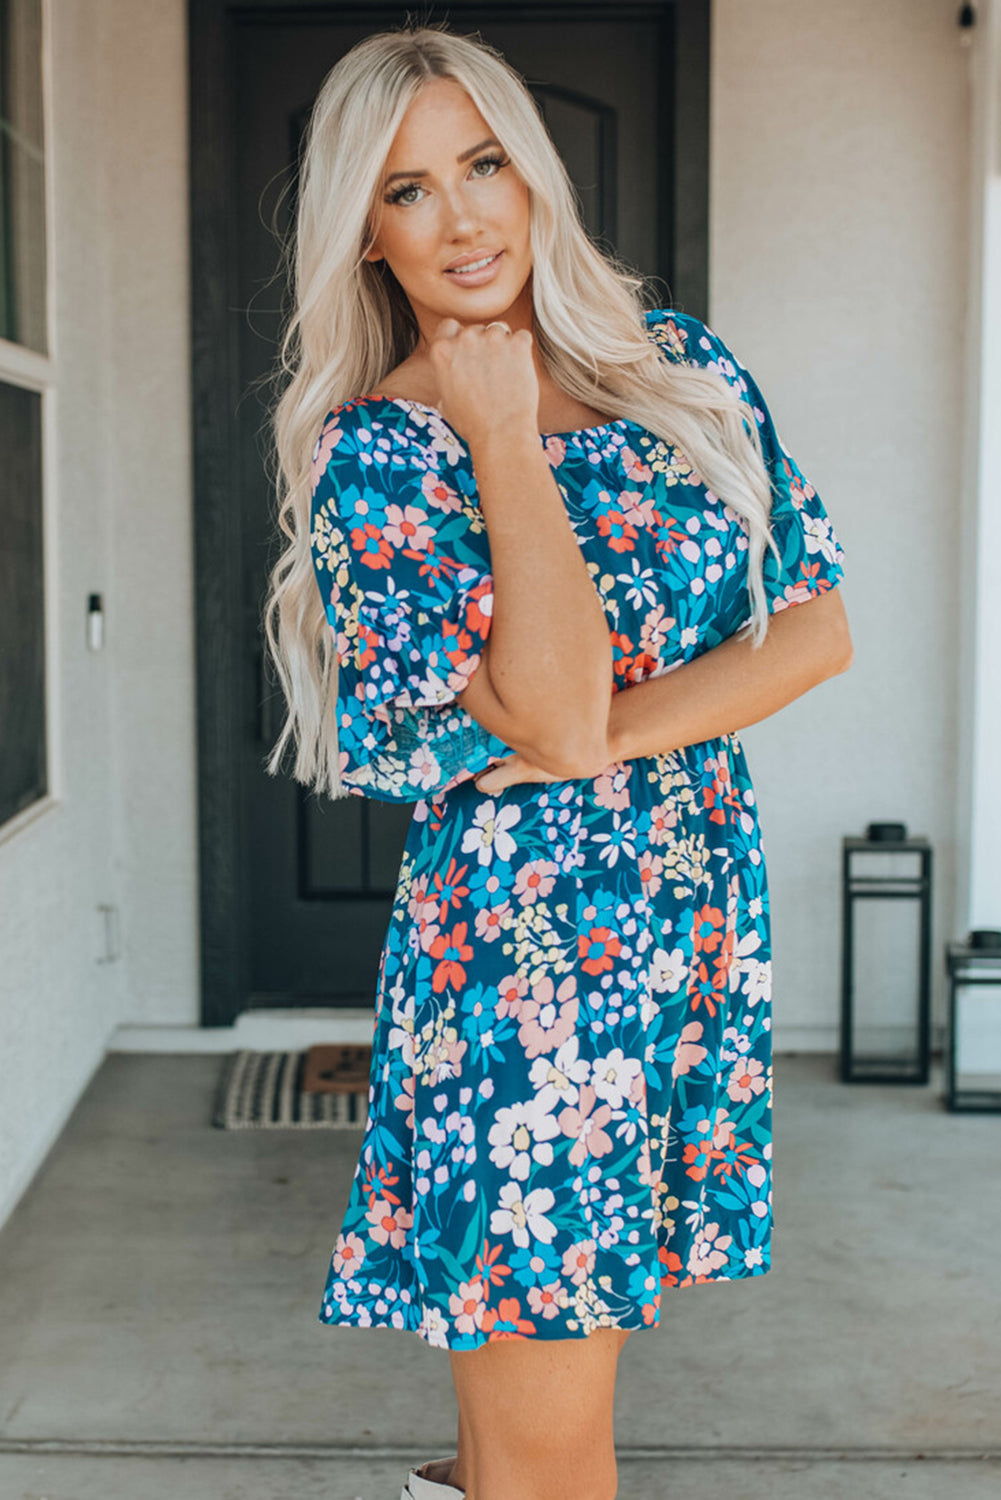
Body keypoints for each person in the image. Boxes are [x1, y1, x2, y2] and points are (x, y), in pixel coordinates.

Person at [262, 21, 853, 1500]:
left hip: (684, 933)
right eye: (405, 191)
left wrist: (597, 743)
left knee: (518, 1441)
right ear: (364, 234)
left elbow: (815, 632)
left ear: (535, 175)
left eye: (481, 165)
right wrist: (504, 441)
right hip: (528, 980)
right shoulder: (383, 459)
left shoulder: (678, 366)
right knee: (544, 1448)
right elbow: (551, 700)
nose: (459, 217)